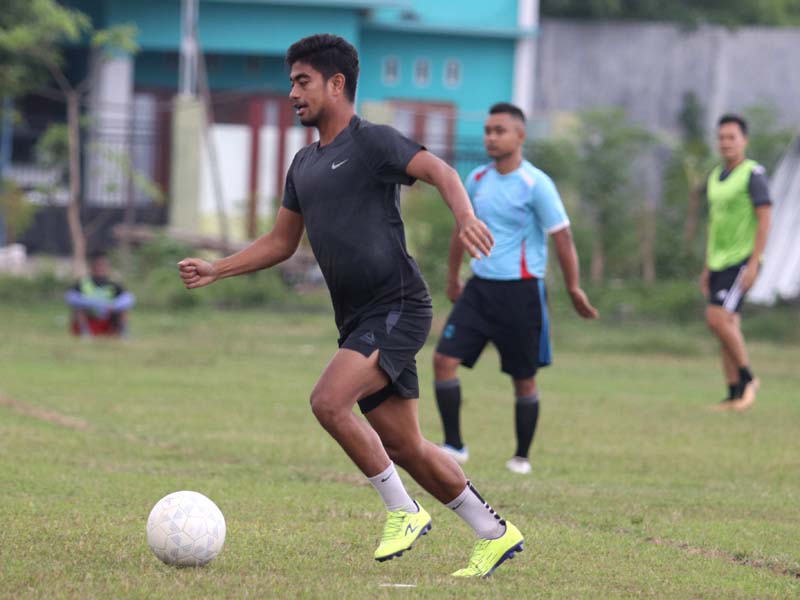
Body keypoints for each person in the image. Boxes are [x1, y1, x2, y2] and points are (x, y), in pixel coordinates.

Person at [178, 34, 524, 578]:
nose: (292, 92)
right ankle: (494, 532)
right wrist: (217, 268)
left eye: (302, 81)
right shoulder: (303, 164)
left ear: (336, 84)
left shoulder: (372, 143)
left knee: (328, 401)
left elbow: (441, 172)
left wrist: (463, 215)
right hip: (359, 320)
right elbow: (281, 242)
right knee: (405, 445)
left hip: (398, 306)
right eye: (291, 81)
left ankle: (403, 511)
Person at [433, 103, 598, 475]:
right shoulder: (475, 180)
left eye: (500, 131)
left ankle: (521, 457)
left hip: (521, 292)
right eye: (488, 130)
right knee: (443, 361)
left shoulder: (535, 184)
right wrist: (452, 277)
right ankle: (454, 445)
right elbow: (463, 229)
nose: (491, 137)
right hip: (479, 289)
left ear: (520, 136)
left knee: (523, 378)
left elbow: (563, 236)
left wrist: (573, 288)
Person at [701, 114, 771, 412]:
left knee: (716, 319)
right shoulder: (715, 177)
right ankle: (734, 395)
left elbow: (765, 217)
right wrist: (707, 265)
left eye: (732, 137)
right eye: (721, 138)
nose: (726, 143)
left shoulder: (752, 174)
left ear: (744, 140)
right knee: (726, 326)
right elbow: (714, 225)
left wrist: (754, 262)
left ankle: (749, 377)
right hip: (718, 261)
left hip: (741, 260)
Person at [65, 250, 135, 337]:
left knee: (123, 310)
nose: (100, 268)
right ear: (91, 267)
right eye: (98, 265)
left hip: (106, 319)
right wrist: (93, 304)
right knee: (78, 309)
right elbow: (70, 297)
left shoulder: (114, 284)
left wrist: (113, 306)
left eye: (103, 265)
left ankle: (124, 335)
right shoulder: (82, 283)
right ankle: (85, 335)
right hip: (89, 318)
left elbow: (129, 299)